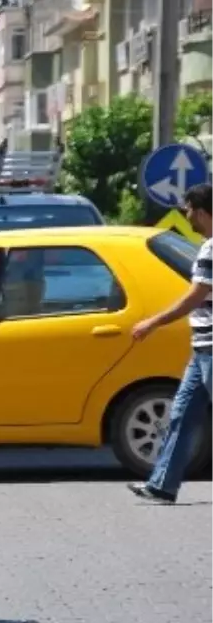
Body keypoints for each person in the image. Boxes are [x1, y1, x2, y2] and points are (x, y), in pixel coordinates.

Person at [128, 182, 213, 504]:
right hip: (202, 347)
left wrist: (153, 322)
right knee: (181, 415)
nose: (186, 214)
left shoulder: (211, 248)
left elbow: (194, 297)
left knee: (183, 415)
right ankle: (162, 485)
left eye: (189, 209)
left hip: (211, 347)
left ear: (202, 212)